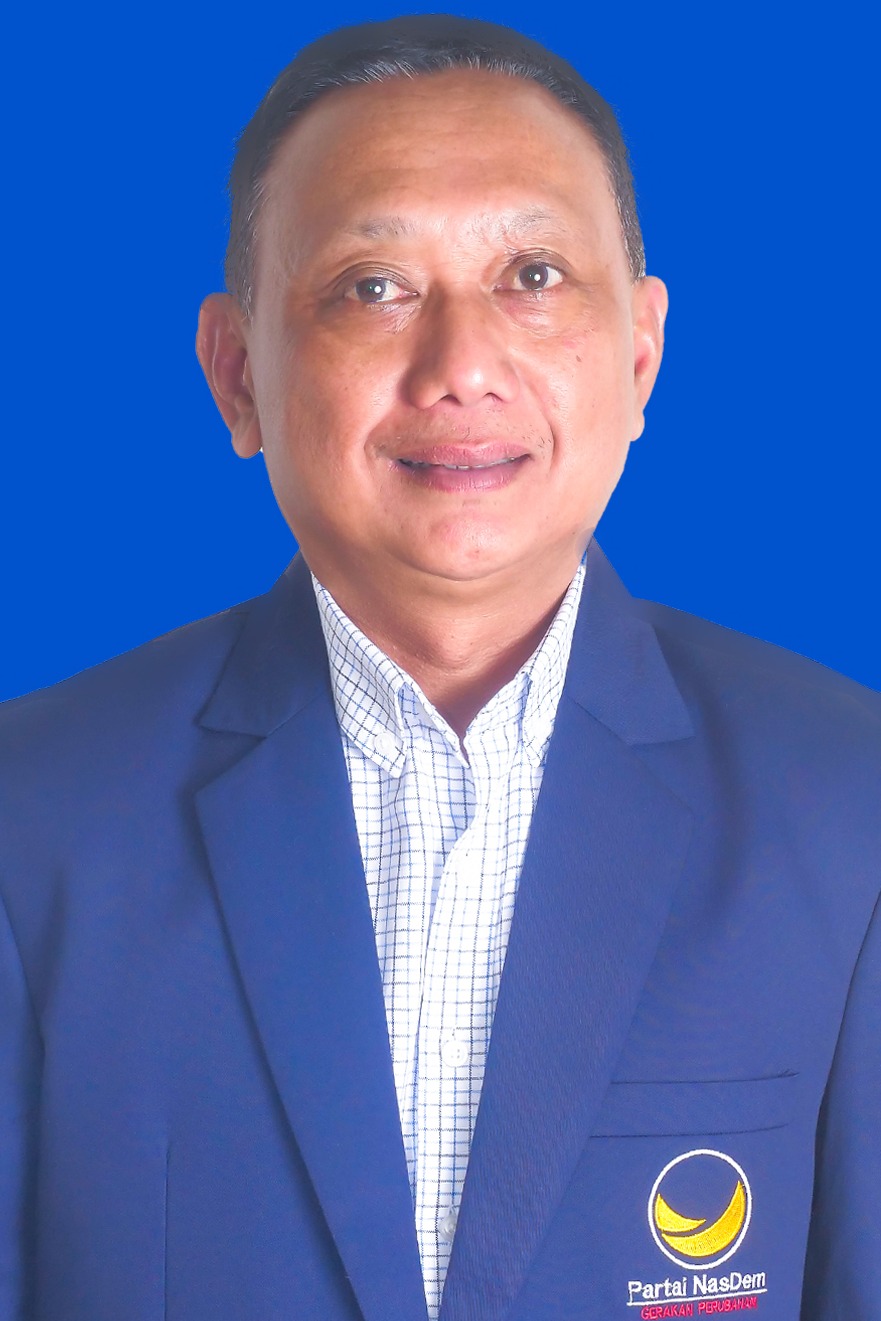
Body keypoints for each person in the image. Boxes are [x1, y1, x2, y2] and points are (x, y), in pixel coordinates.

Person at [0, 13, 878, 1320]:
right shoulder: (30, 818)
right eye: (373, 286)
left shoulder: (850, 806)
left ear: (641, 354)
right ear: (237, 375)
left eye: (533, 274)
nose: (462, 366)